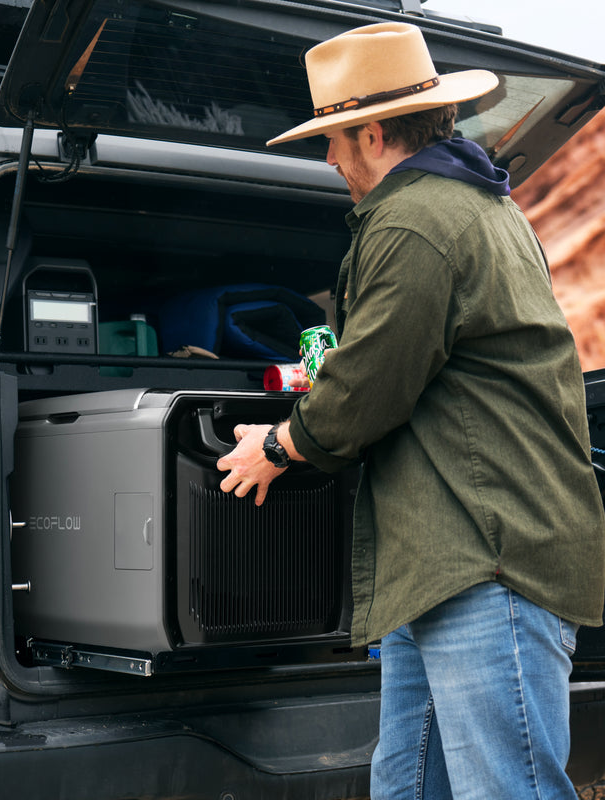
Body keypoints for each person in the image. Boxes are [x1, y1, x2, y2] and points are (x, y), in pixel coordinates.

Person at [216, 21, 605, 800]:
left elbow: (369, 385)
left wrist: (281, 445)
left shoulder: (417, 220)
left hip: (484, 560)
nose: (329, 160)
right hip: (442, 565)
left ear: (372, 132)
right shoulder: (478, 208)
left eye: (333, 140)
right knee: (406, 787)